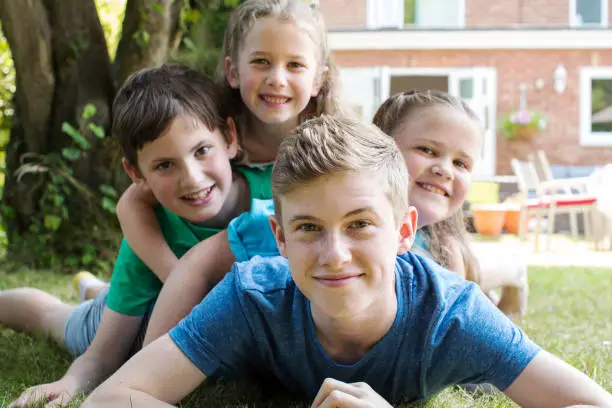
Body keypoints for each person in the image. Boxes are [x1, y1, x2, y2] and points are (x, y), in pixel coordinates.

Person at [83, 115, 612, 407]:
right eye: (309, 228)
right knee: (71, 325)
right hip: (164, 324)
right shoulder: (250, 295)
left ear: (404, 231)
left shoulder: (452, 315)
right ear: (280, 238)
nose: (335, 256)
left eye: (360, 224)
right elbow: (111, 398)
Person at [1, 63, 273, 408]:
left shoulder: (280, 193)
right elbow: (102, 358)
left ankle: (94, 287)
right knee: (55, 318)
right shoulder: (149, 237)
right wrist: (72, 381)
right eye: (164, 165)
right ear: (135, 172)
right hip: (133, 322)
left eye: (202, 150)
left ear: (230, 138)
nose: (191, 179)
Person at [110, 0, 342, 345]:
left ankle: (92, 290)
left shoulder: (329, 150)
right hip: (180, 274)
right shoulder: (211, 136)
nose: (277, 79)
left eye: (294, 65)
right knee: (66, 318)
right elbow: (130, 205)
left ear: (318, 80)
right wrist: (179, 278)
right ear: (233, 71)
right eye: (261, 61)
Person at [373, 89, 528, 320]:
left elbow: (482, 329)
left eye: (460, 163)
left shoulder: (444, 246)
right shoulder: (360, 232)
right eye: (427, 150)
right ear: (379, 148)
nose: (445, 170)